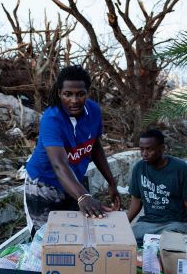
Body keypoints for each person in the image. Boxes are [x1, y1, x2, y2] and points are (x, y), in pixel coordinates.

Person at [24, 65, 121, 234]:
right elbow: (59, 164)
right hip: (44, 186)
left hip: (73, 183)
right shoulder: (51, 119)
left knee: (76, 235)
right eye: (68, 94)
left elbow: (95, 146)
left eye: (80, 94)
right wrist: (83, 196)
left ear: (87, 93)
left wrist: (111, 182)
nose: (74, 100)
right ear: (59, 93)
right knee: (46, 240)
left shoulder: (94, 111)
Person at [127, 129, 187, 245]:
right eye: (141, 149)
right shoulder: (139, 168)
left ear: (162, 148)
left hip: (175, 224)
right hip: (148, 223)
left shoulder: (182, 169)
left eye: (149, 149)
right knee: (127, 243)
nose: (144, 153)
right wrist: (124, 226)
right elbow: (136, 200)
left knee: (168, 245)